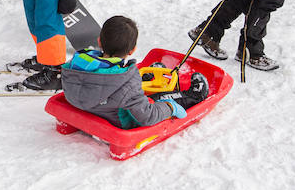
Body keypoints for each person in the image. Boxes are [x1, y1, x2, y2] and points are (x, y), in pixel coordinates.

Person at [61, 15, 208, 129]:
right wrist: (170, 108)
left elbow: (104, 83)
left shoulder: (77, 63)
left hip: (90, 106)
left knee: (125, 86)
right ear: (132, 50)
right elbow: (147, 116)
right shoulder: (127, 82)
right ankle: (193, 96)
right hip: (118, 119)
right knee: (157, 100)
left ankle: (148, 78)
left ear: (99, 41)